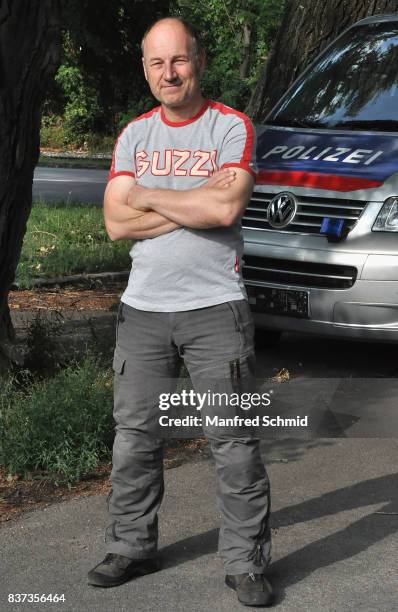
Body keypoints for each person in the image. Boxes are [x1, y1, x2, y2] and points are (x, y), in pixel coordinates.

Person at [87, 16, 273, 607]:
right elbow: (117, 223)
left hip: (217, 310)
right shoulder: (133, 136)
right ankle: (131, 546)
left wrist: (147, 194)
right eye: (156, 63)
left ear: (197, 59)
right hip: (142, 311)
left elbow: (225, 211)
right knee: (135, 438)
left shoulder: (230, 126)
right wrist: (191, 200)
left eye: (179, 60)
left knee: (234, 442)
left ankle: (245, 562)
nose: (169, 74)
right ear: (145, 69)